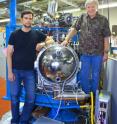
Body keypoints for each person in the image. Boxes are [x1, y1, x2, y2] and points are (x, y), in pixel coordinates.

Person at [7, 10, 54, 124]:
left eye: (30, 18)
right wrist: (9, 72)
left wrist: (42, 44)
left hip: (29, 72)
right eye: (26, 18)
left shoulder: (36, 34)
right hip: (15, 70)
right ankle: (15, 120)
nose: (28, 20)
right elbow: (9, 54)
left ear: (32, 20)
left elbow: (50, 40)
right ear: (22, 20)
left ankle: (23, 120)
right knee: (14, 98)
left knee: (31, 99)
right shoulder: (14, 34)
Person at [62, 0, 111, 94]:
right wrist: (66, 39)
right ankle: (86, 95)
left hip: (98, 53)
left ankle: (95, 95)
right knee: (84, 75)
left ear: (96, 7)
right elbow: (74, 29)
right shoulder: (82, 17)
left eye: (92, 6)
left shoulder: (103, 19)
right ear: (86, 8)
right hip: (84, 53)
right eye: (88, 7)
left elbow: (106, 37)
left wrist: (106, 52)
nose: (90, 9)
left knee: (96, 75)